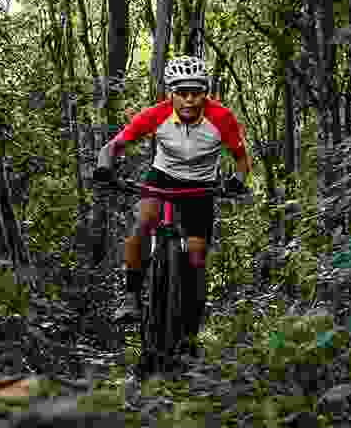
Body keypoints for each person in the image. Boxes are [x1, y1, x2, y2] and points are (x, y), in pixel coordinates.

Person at [93, 55, 252, 353]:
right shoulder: (157, 114)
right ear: (171, 93)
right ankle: (130, 296)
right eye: (182, 92)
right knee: (143, 221)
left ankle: (190, 332)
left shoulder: (221, 118)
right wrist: (104, 167)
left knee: (196, 255)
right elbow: (113, 145)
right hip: (163, 177)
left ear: (205, 92)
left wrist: (238, 180)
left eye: (196, 92)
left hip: (202, 185)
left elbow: (241, 160)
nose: (190, 100)